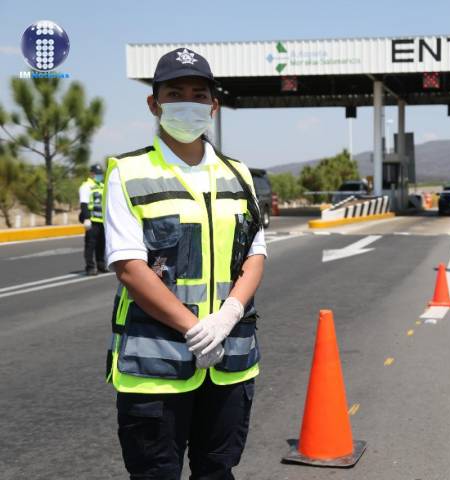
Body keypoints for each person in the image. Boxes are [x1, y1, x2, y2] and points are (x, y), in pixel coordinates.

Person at [103, 47, 267, 479]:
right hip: (155, 366)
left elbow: (254, 253)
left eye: (199, 94)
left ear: (214, 105)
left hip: (230, 359)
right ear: (154, 103)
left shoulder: (239, 174)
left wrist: (228, 316)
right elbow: (129, 267)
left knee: (217, 471)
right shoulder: (127, 172)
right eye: (175, 93)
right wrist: (194, 329)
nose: (188, 103)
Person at [78, 164, 107, 275]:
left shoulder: (102, 186)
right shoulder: (86, 186)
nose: (99, 176)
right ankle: (90, 267)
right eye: (96, 174)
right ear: (91, 174)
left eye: (100, 174)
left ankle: (101, 265)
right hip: (92, 220)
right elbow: (84, 203)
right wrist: (86, 218)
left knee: (102, 244)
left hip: (102, 220)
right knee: (90, 245)